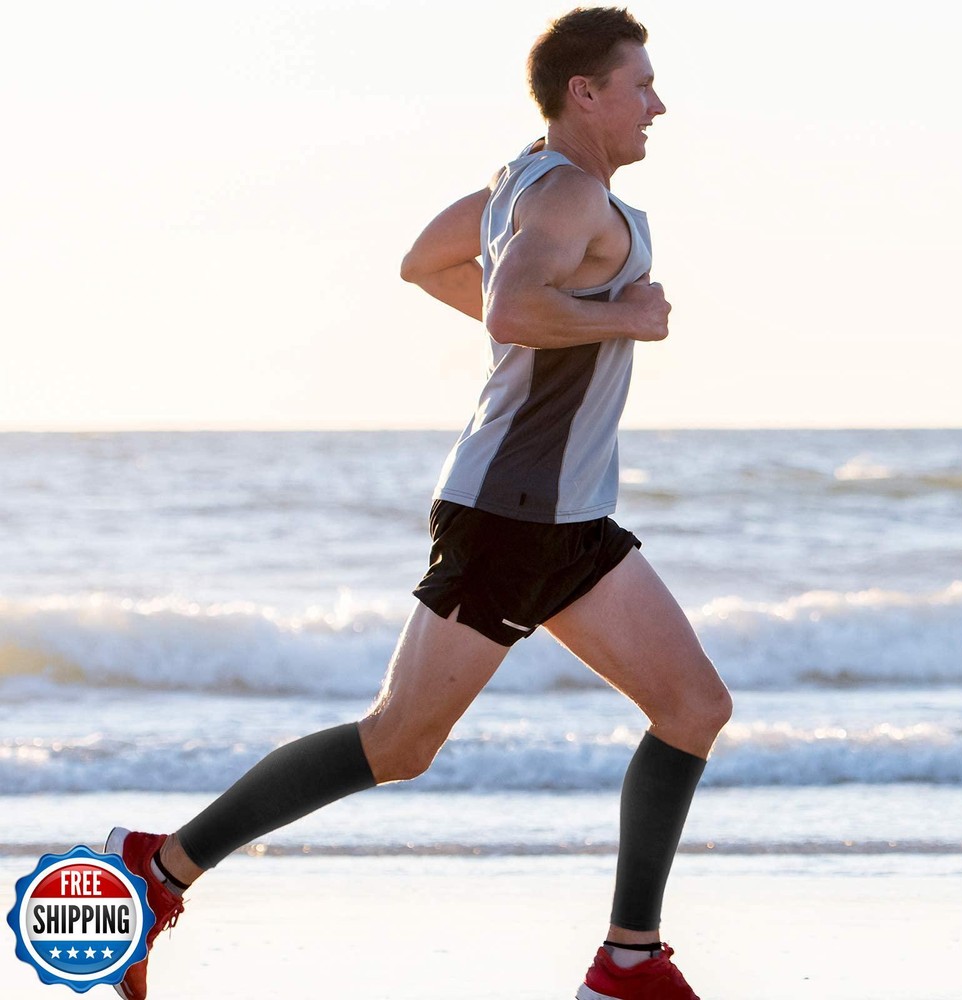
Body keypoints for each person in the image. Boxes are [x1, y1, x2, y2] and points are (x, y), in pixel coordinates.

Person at [104, 8, 732, 999]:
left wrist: (564, 323)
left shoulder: (522, 183)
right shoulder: (568, 194)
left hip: (568, 519)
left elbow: (430, 263)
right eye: (640, 84)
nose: (657, 104)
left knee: (693, 707)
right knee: (397, 742)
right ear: (585, 93)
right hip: (511, 516)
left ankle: (628, 959)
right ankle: (159, 866)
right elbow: (509, 306)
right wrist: (623, 318)